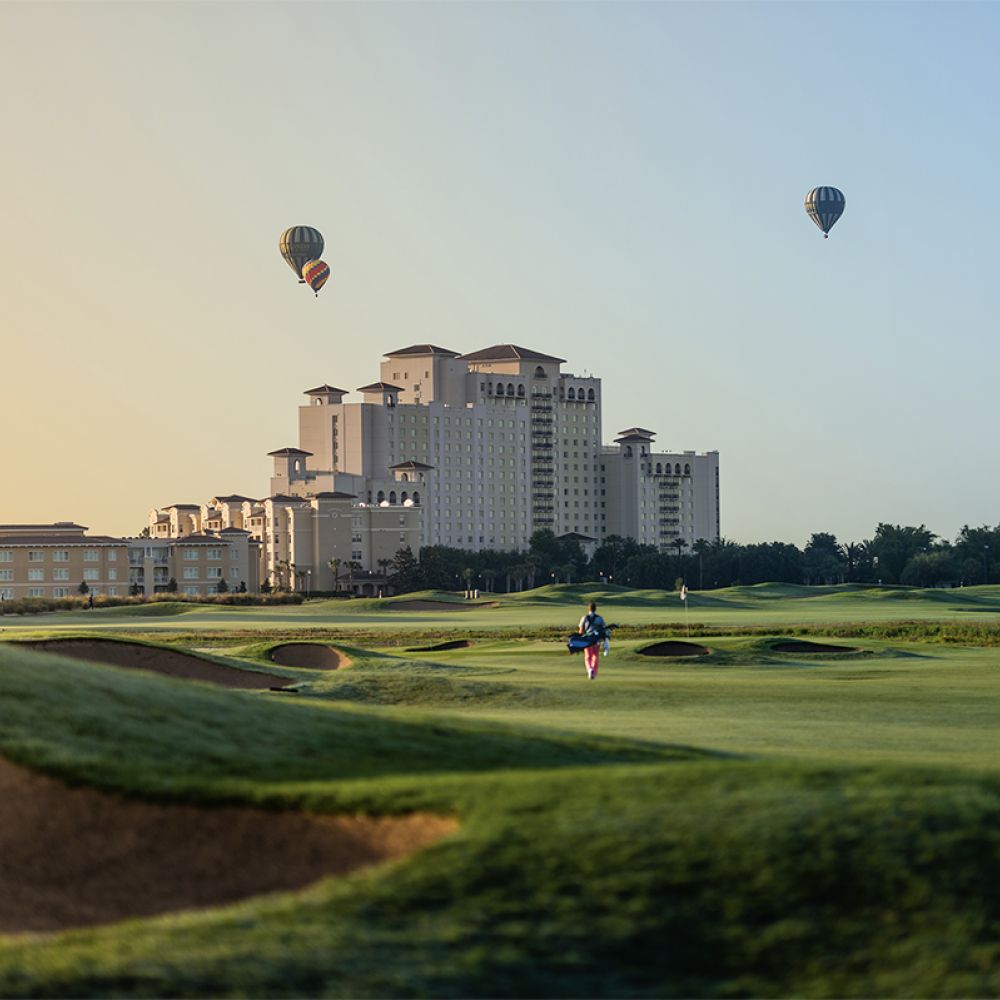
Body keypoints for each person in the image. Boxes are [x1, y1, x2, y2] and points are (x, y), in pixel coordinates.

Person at [578, 602, 606, 680]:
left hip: (587, 640)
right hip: (596, 640)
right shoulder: (599, 618)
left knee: (587, 657)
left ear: (589, 609)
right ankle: (594, 674)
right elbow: (604, 629)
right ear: (595, 609)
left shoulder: (584, 618)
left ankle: (590, 669)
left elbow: (581, 631)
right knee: (595, 656)